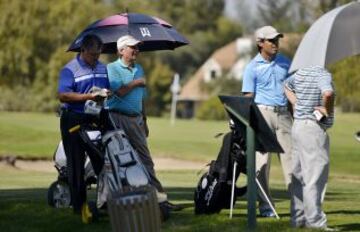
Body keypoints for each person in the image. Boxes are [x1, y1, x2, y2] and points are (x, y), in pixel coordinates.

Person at [105, 35, 182, 212]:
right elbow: (118, 92)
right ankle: (119, 200)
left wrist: (144, 120)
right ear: (121, 50)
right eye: (133, 47)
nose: (137, 51)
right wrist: (136, 82)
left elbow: (141, 99)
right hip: (116, 118)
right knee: (118, 162)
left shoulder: (138, 68)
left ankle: (160, 199)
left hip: (136, 119)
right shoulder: (112, 68)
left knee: (145, 160)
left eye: (138, 48)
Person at [242, 25, 293, 217]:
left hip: (284, 115)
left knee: (292, 162)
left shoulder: (286, 63)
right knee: (261, 165)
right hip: (262, 114)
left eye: (277, 40)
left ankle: (298, 205)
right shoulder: (251, 68)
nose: (275, 44)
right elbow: (248, 98)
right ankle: (266, 207)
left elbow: (292, 93)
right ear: (260, 43)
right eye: (271, 41)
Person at [58, 34, 109, 215]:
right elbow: (63, 95)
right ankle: (79, 208)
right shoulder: (69, 70)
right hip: (73, 118)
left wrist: (105, 94)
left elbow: (105, 88)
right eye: (93, 55)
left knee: (103, 160)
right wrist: (88, 96)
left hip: (95, 116)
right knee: (76, 163)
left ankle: (105, 202)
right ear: (83, 50)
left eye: (98, 55)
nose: (96, 58)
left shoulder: (102, 67)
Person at [284, 66, 335, 230]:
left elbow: (286, 86)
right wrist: (327, 109)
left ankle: (298, 220)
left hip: (297, 126)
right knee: (314, 176)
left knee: (298, 175)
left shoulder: (300, 73)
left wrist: (296, 104)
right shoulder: (322, 74)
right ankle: (315, 223)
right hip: (312, 129)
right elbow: (328, 93)